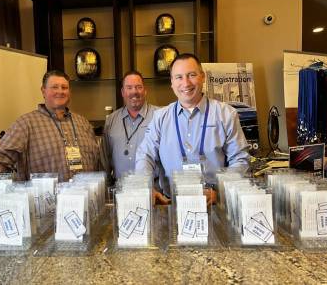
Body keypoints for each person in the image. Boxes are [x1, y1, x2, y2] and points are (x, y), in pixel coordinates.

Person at [135, 53, 250, 202]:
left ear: (202, 77)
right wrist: (146, 188)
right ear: (172, 82)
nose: (186, 83)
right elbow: (145, 155)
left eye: (191, 75)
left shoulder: (226, 114)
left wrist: (220, 192)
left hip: (214, 203)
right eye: (179, 77)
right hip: (172, 205)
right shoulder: (160, 117)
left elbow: (240, 160)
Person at [0, 70, 99, 181]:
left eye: (64, 87)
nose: (60, 91)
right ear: (43, 91)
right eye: (54, 87)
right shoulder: (26, 124)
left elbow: (98, 163)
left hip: (86, 200)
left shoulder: (83, 123)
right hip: (47, 202)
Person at [101, 70, 159, 183]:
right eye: (129, 88)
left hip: (152, 190)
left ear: (145, 90)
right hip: (120, 190)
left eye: (138, 87)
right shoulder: (111, 120)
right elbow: (105, 160)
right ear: (122, 92)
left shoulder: (159, 116)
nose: (134, 92)